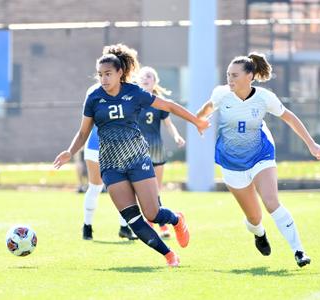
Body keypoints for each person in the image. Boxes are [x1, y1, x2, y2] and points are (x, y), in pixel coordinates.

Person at [54, 44, 209, 267]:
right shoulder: (94, 98)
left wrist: (196, 121)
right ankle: (169, 255)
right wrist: (70, 151)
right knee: (134, 220)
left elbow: (169, 106)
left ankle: (176, 219)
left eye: (108, 74)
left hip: (137, 158)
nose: (103, 79)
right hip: (109, 164)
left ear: (119, 73)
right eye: (100, 75)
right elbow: (83, 132)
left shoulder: (133, 92)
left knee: (152, 213)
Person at [196, 52, 320, 267]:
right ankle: (259, 234)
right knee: (254, 218)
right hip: (231, 162)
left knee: (271, 202)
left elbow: (289, 118)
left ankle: (299, 251)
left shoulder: (265, 97)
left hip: (261, 155)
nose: (230, 79)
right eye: (228, 75)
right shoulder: (221, 94)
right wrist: (199, 120)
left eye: (235, 75)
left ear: (250, 76)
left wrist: (312, 144)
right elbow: (206, 109)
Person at [137, 66, 186, 238]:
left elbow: (169, 124)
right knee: (140, 189)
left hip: (156, 149)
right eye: (142, 76)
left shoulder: (160, 103)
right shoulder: (133, 100)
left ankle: (162, 224)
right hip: (137, 151)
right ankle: (148, 223)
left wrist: (177, 136)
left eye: (149, 76)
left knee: (155, 190)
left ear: (154, 81)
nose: (145, 78)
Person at [82, 125, 138, 240]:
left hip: (117, 146)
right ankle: (87, 227)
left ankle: (124, 227)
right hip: (96, 145)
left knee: (124, 189)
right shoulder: (92, 106)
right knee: (95, 187)